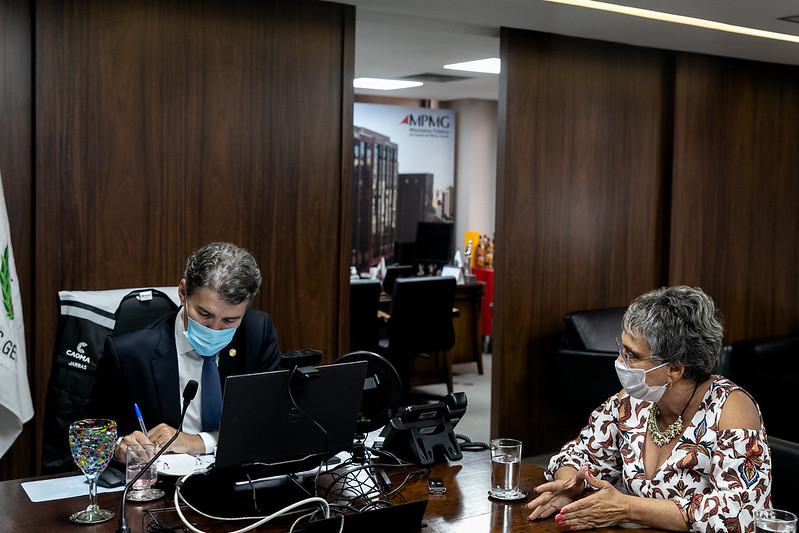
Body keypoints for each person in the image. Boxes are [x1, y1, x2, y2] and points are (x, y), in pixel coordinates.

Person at [526, 286, 771, 532]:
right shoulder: (633, 400)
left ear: (674, 369)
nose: (621, 362)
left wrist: (628, 508)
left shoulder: (732, 410)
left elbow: (739, 515)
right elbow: (576, 456)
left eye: (632, 355)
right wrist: (571, 485)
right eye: (622, 349)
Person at [88, 242, 282, 462]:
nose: (215, 330)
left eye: (230, 320)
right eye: (204, 314)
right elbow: (92, 437)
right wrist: (119, 449)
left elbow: (270, 422)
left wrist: (197, 442)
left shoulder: (257, 334)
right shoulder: (129, 354)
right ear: (183, 293)